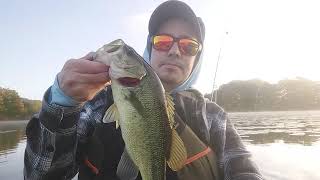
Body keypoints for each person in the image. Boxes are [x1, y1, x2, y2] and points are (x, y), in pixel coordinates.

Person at [24, 1, 264, 180]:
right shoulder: (95, 105)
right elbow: (39, 175)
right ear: (149, 50)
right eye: (163, 42)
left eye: (188, 46)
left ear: (197, 59)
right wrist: (61, 108)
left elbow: (244, 170)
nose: (174, 51)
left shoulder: (213, 116)